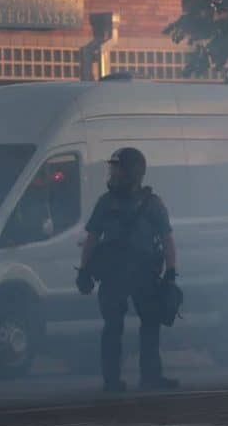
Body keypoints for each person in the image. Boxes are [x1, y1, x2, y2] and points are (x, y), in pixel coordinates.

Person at [76, 147, 179, 392]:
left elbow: (167, 240)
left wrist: (171, 271)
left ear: (132, 172)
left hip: (141, 273)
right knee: (115, 327)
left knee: (148, 323)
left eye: (118, 169)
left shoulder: (150, 204)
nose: (113, 174)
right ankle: (114, 380)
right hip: (117, 274)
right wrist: (83, 269)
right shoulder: (107, 202)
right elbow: (92, 238)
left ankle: (148, 377)